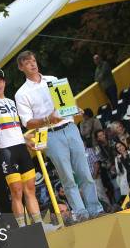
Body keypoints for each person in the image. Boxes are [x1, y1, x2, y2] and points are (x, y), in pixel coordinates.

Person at [15, 50, 104, 222]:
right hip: (50, 134)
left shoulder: (53, 80)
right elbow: (27, 122)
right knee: (67, 176)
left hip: (69, 127)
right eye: (27, 62)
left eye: (33, 60)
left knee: (85, 171)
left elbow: (66, 102)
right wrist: (48, 119)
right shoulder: (21, 93)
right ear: (21, 67)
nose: (33, 64)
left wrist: (73, 108)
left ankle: (96, 209)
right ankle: (81, 214)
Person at [0, 69, 45, 228]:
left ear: (5, 82)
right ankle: (22, 228)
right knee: (17, 192)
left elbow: (16, 128)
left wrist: (27, 141)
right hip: (6, 151)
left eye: (0, 80)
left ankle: (39, 225)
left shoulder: (11, 102)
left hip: (21, 148)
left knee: (30, 189)